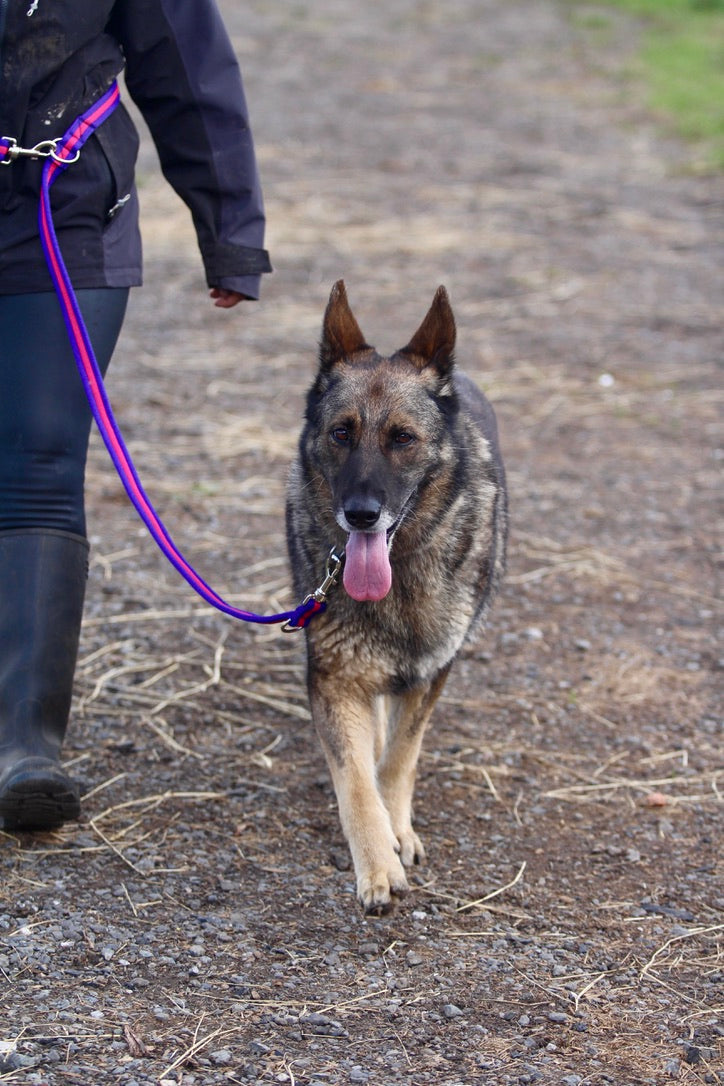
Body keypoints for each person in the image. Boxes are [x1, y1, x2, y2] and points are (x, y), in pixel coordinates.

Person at [0, 0, 271, 832]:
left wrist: (230, 227)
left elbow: (186, 63)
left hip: (62, 201)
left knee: (41, 460)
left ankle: (25, 745)